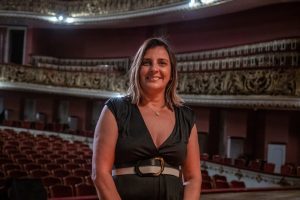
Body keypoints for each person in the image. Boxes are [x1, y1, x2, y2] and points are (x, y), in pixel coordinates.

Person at [92, 37, 201, 200]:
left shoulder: (185, 117)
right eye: (147, 62)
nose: (154, 69)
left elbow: (193, 178)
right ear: (137, 69)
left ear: (171, 73)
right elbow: (100, 174)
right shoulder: (115, 109)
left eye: (162, 63)